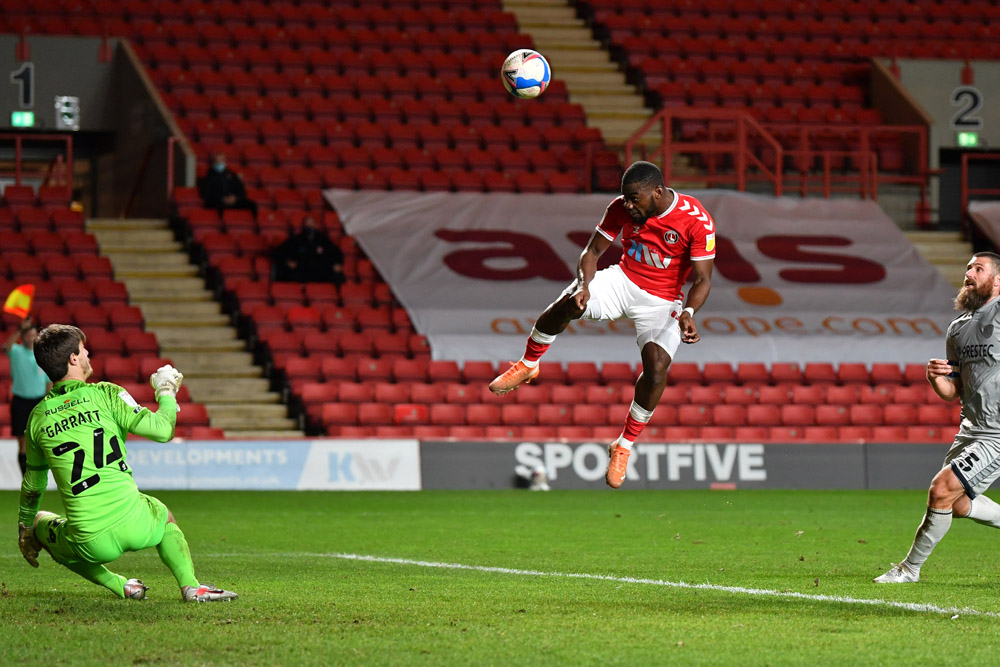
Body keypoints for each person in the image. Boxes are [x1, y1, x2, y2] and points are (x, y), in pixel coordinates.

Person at [488, 161, 715, 489]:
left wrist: (689, 312)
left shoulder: (697, 220)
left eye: (634, 199)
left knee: (656, 369)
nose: (628, 205)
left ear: (658, 192)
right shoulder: (621, 207)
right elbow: (592, 251)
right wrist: (584, 285)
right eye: (625, 198)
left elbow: (703, 279)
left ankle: (623, 445)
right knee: (569, 302)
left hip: (663, 300)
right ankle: (528, 364)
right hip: (623, 280)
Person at [16, 324, 238, 602]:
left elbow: (33, 486)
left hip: (91, 541)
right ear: (73, 358)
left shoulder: (37, 418)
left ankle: (120, 585)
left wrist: (25, 529)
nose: (88, 354)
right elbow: (162, 431)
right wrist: (167, 392)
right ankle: (191, 587)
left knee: (41, 522)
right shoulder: (106, 394)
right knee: (164, 516)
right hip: (136, 522)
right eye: (83, 350)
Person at [875, 252, 1000, 583]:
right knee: (956, 504)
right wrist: (934, 378)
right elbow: (952, 391)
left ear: (998, 280)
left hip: (997, 435)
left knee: (941, 489)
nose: (969, 273)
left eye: (979, 268)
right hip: (970, 430)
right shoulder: (958, 329)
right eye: (968, 267)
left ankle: (909, 569)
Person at [3, 318, 49, 475]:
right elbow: (7, 346)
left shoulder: (42, 355)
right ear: (23, 337)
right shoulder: (16, 351)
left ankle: (39, 475)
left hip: (39, 402)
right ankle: (26, 477)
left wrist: (47, 401)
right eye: (28, 335)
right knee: (22, 442)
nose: (31, 338)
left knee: (39, 440)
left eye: (33, 335)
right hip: (20, 401)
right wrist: (19, 329)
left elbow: (48, 381)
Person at [272, 215, 346, 285]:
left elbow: (336, 253)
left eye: (311, 223)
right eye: (307, 223)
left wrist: (338, 263)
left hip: (320, 272)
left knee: (338, 277)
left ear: (315, 225)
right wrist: (288, 262)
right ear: (303, 225)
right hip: (301, 272)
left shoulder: (323, 240)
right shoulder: (296, 240)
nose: (310, 226)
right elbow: (278, 252)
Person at [197, 152, 257, 218]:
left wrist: (235, 198)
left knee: (252, 205)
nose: (220, 163)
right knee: (219, 206)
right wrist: (222, 199)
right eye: (218, 161)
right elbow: (207, 194)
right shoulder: (208, 178)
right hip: (218, 201)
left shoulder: (232, 175)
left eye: (222, 161)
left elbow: (241, 190)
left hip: (233, 200)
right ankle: (220, 222)